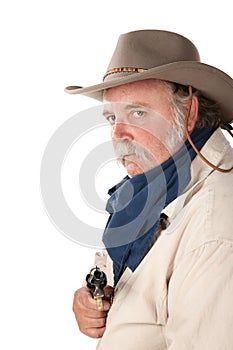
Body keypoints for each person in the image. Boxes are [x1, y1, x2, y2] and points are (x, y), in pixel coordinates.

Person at [65, 30, 233, 349]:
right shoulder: (150, 188)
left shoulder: (215, 226)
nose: (118, 134)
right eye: (112, 116)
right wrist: (97, 299)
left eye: (138, 112)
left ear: (190, 112)